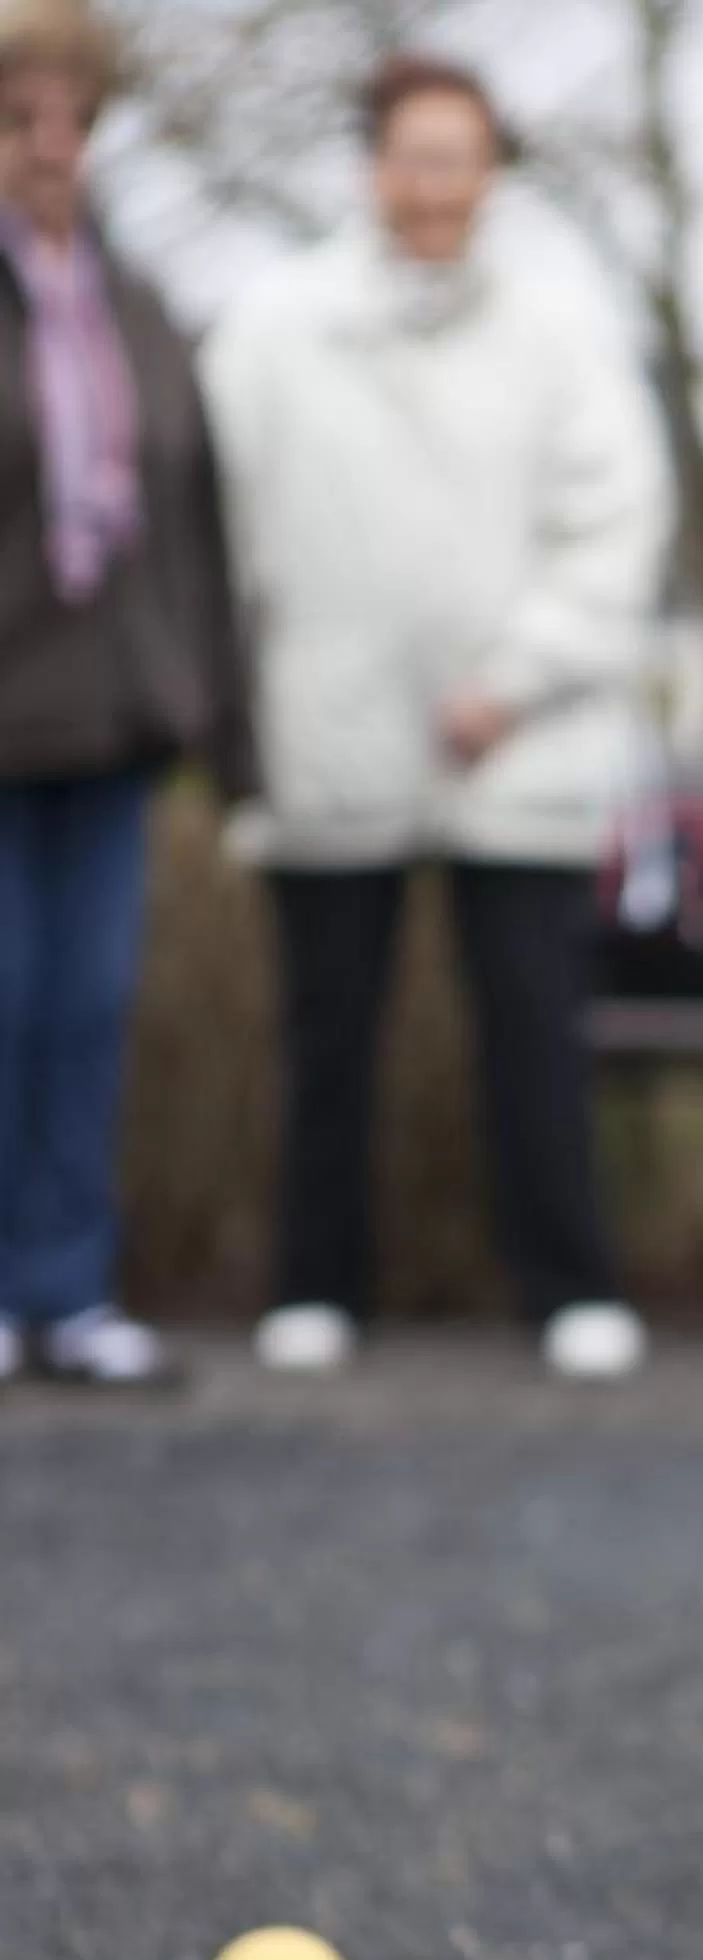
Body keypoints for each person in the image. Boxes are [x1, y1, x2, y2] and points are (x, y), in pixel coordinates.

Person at [205, 54, 668, 1382]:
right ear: (372, 168)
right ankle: (315, 1287)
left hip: (519, 746)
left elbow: (616, 530)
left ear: (493, 175)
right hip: (329, 735)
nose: (433, 185)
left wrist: (515, 678)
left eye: (458, 158)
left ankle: (570, 1287)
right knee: (327, 1034)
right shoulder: (274, 329)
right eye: (411, 156)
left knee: (534, 1030)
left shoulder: (561, 334)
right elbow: (220, 530)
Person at [0, 1, 252, 1389]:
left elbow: (193, 515)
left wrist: (209, 703)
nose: (51, 146)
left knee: (88, 1003)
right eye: (20, 118)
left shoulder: (137, 302)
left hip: (108, 719)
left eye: (75, 120)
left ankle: (65, 1284)